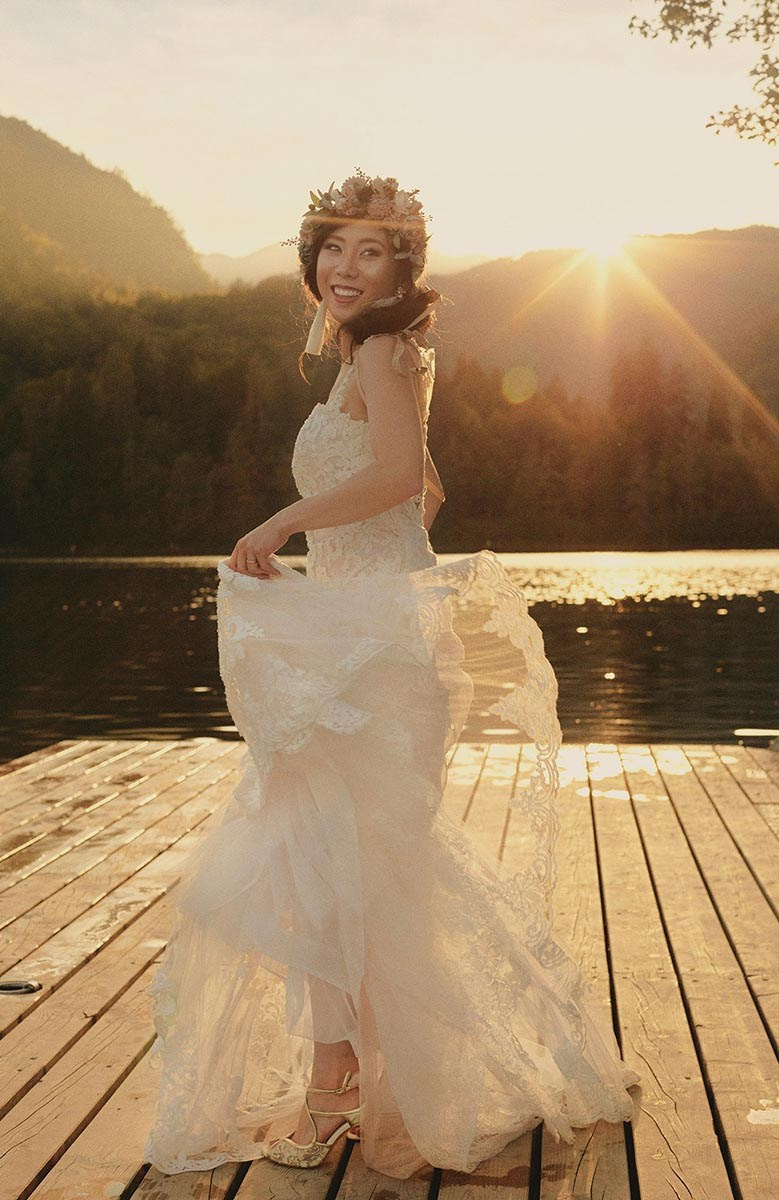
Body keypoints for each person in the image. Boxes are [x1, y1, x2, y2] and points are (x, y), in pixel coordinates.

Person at [144, 170, 640, 1180]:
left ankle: (337, 1096)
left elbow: (400, 479)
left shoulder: (380, 346)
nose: (344, 266)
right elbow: (428, 491)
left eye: (370, 251)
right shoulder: (368, 357)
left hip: (375, 660)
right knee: (329, 873)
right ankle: (348, 1087)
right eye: (332, 247)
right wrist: (366, 573)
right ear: (310, 256)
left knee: (334, 874)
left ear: (402, 267)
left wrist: (285, 525)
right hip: (363, 643)